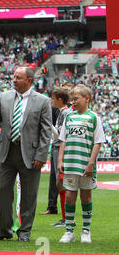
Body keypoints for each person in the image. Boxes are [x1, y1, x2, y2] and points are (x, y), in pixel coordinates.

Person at [0, 67, 52, 242]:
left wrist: (41, 155)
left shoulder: (43, 101)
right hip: (7, 152)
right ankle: (4, 230)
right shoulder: (5, 97)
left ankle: (24, 232)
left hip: (30, 154)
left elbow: (46, 131)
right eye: (13, 77)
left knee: (29, 196)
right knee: (3, 192)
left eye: (18, 78)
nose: (14, 80)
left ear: (29, 80)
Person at [58, 85, 105, 244]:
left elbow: (98, 143)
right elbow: (63, 140)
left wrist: (91, 163)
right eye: (72, 99)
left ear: (87, 99)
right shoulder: (69, 117)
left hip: (85, 165)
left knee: (86, 196)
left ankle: (86, 230)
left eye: (76, 99)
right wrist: (60, 160)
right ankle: (69, 231)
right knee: (70, 196)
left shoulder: (94, 118)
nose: (73, 102)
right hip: (70, 164)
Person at [44, 88, 72, 227]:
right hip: (56, 148)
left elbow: (61, 134)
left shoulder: (65, 113)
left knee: (61, 183)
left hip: (59, 148)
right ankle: (64, 217)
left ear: (60, 100)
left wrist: (48, 125)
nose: (51, 101)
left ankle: (66, 218)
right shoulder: (63, 112)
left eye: (53, 98)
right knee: (60, 183)